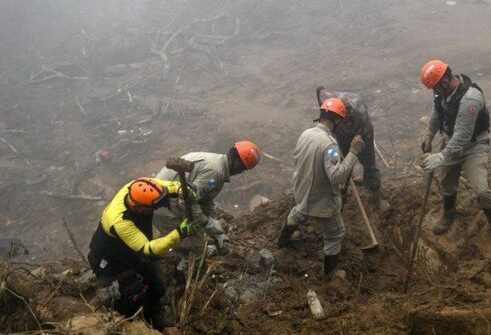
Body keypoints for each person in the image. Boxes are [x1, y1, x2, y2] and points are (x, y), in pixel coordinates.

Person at [418, 60, 491, 246]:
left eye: (435, 87)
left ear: (445, 80)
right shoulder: (443, 94)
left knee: (481, 190)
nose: (434, 92)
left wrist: (441, 157)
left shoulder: (470, 99)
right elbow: (438, 113)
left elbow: (463, 136)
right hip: (452, 140)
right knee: (446, 181)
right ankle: (448, 214)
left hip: (473, 145)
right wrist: (428, 135)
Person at [87, 177, 197, 328]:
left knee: (157, 286)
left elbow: (161, 187)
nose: (156, 208)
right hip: (111, 261)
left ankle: (153, 317)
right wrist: (179, 233)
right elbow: (148, 249)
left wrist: (181, 189)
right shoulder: (120, 221)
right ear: (138, 207)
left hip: (132, 253)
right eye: (153, 207)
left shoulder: (136, 187)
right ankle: (125, 325)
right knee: (131, 296)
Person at [277, 98, 364, 279]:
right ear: (337, 121)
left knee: (299, 212)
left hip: (301, 190)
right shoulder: (329, 145)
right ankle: (330, 276)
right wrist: (353, 153)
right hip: (321, 200)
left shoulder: (306, 134)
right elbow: (336, 176)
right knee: (335, 234)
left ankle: (282, 242)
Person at [153, 142, 262, 262]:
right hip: (162, 204)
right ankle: (182, 272)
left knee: (197, 231)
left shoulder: (217, 163)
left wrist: (213, 225)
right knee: (194, 250)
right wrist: (207, 223)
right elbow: (186, 200)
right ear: (238, 164)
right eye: (243, 169)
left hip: (171, 199)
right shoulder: (215, 172)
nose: (241, 172)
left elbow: (205, 199)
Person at [316, 86, 382, 204]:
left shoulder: (356, 110)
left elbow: (361, 133)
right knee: (342, 161)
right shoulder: (329, 103)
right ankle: (344, 186)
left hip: (363, 132)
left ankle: (374, 194)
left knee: (368, 163)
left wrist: (355, 149)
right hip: (341, 130)